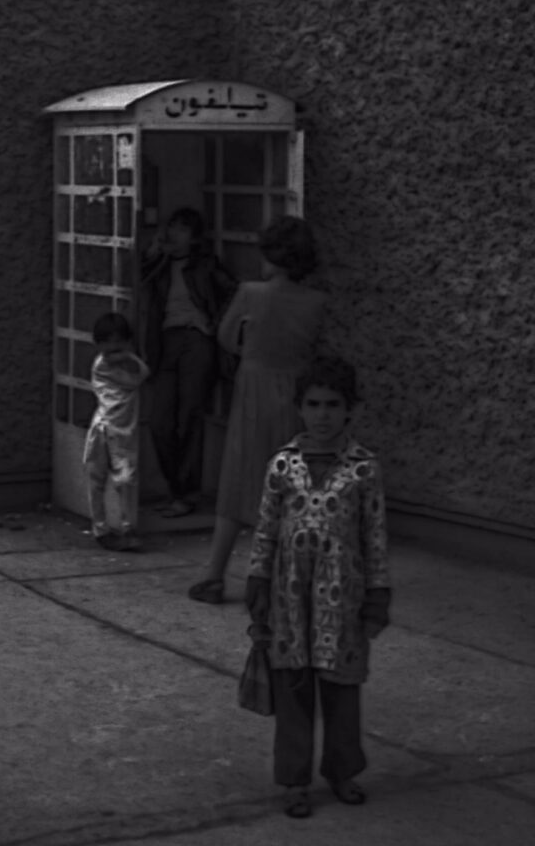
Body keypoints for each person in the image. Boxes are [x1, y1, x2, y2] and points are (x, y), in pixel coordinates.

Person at [245, 356, 392, 819]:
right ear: (299, 408)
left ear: (349, 410)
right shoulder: (282, 466)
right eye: (314, 404)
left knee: (341, 689)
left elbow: (374, 537)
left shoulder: (364, 469)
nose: (323, 413)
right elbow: (266, 529)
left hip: (342, 604)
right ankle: (294, 779)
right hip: (290, 602)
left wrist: (377, 595)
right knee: (293, 688)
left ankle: (342, 770)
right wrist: (258, 583)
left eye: (333, 404)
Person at [189, 216, 327, 604]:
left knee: (238, 480)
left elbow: (226, 337)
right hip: (296, 392)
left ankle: (215, 574)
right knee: (293, 486)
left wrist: (250, 350)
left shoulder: (251, 293)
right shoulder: (316, 302)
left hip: (254, 389)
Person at [141, 207, 237, 517]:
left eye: (182, 229)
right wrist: (155, 253)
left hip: (196, 340)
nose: (174, 234)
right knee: (160, 421)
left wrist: (215, 325)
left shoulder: (206, 266)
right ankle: (174, 488)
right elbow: (134, 280)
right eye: (172, 227)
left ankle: (186, 493)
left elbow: (234, 295)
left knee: (189, 416)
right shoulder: (161, 265)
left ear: (194, 237)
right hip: (165, 342)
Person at [83, 312, 150, 552]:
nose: (113, 350)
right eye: (108, 345)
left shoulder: (128, 364)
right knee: (96, 477)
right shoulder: (102, 366)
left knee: (126, 479)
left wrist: (127, 356)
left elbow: (140, 374)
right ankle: (101, 528)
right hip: (105, 426)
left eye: (118, 344)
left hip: (122, 429)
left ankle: (127, 527)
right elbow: (136, 377)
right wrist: (124, 356)